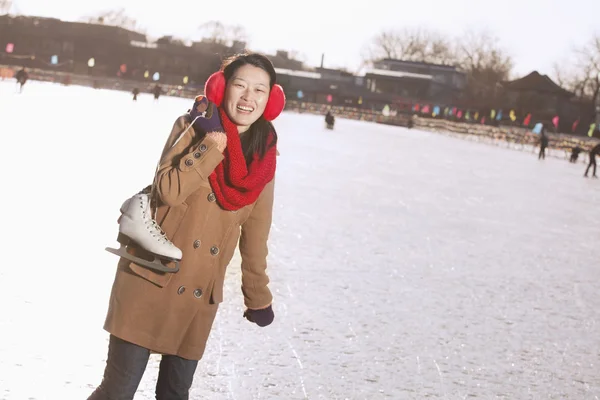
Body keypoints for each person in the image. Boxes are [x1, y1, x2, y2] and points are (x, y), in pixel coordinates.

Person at [88, 52, 286, 400]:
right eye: (240, 85)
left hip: (198, 295)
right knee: (118, 391)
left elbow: (256, 236)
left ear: (271, 100)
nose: (248, 97)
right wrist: (212, 144)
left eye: (260, 90)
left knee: (175, 395)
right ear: (222, 87)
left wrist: (257, 296)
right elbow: (168, 190)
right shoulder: (194, 126)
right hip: (150, 278)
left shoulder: (264, 159)